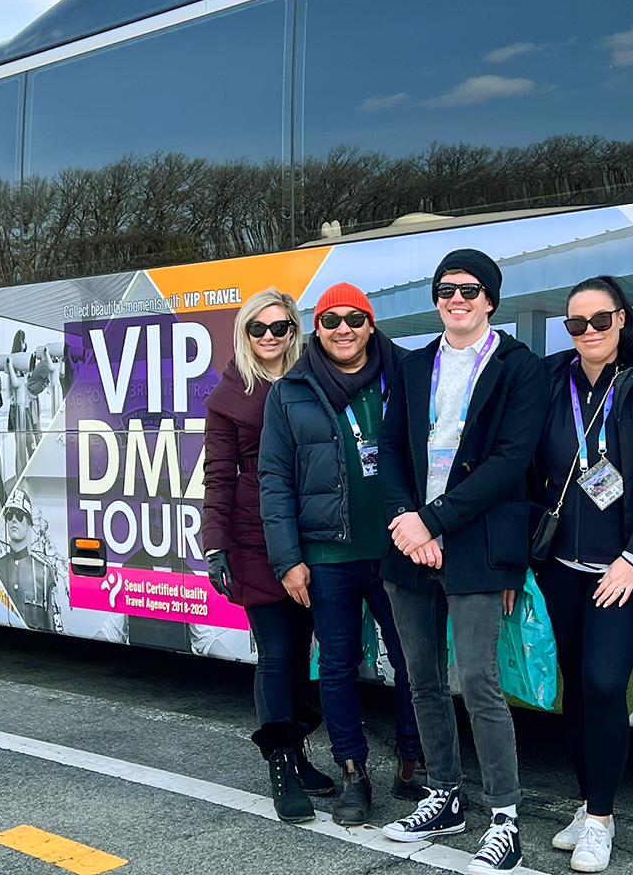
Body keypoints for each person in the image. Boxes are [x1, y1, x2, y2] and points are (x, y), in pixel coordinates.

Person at [379, 248, 547, 875]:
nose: (458, 299)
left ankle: (505, 817)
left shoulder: (519, 368)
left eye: (471, 290)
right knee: (420, 678)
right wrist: (407, 521)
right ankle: (443, 795)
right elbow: (391, 447)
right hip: (409, 540)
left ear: (491, 299)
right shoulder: (415, 364)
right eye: (447, 289)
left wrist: (435, 520)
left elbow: (509, 462)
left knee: (476, 679)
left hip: (475, 540)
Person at [532, 276, 633, 873]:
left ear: (623, 319)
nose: (589, 333)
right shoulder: (551, 380)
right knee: (574, 689)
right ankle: (586, 803)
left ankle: (601, 819)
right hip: (561, 569)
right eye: (576, 325)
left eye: (601, 321)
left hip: (624, 570)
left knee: (603, 684)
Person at [259, 281, 425, 827]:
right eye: (331, 321)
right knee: (336, 666)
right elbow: (274, 480)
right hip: (327, 557)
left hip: (400, 548)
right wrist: (288, 560)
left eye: (355, 318)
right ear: (317, 330)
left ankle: (412, 762)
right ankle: (353, 772)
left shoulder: (405, 374)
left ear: (371, 324)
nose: (343, 329)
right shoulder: (291, 390)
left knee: (411, 661)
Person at [201, 288, 333, 824]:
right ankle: (281, 764)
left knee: (306, 653)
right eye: (260, 329)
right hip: (254, 537)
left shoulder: (315, 378)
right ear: (245, 334)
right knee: (277, 652)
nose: (271, 337)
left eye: (280, 327)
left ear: (294, 330)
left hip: (316, 531)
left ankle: (299, 751)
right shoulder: (228, 396)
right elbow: (217, 475)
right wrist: (215, 544)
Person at [0, 487, 56, 631]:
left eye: (19, 515)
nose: (14, 519)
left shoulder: (44, 573)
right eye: (9, 515)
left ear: (29, 524)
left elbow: (52, 628)